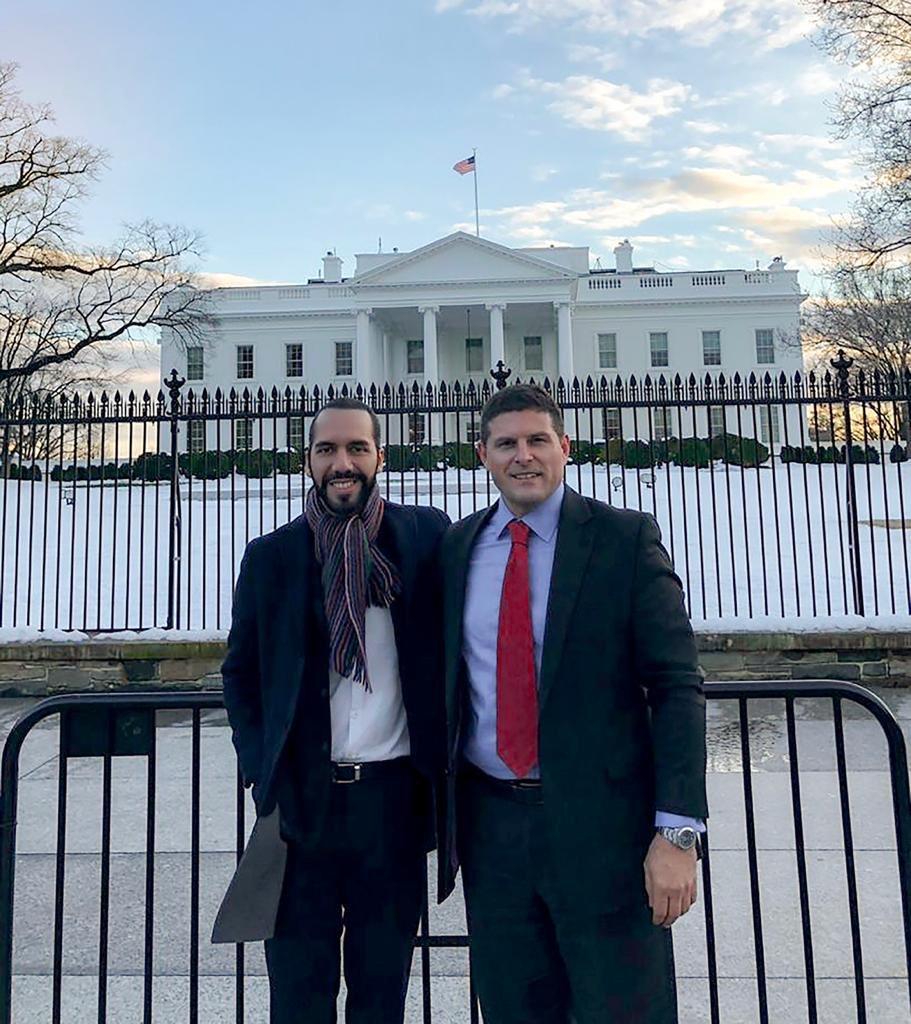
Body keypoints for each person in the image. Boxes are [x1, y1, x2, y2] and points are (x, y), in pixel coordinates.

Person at [438, 384, 707, 1024]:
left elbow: (675, 685)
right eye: (506, 443)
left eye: (537, 440)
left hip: (604, 830)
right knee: (514, 1008)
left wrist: (677, 832)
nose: (523, 456)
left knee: (623, 1009)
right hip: (493, 828)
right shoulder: (458, 548)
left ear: (566, 447)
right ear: (483, 454)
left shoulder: (622, 539)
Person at [215, 397, 449, 1024]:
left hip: (392, 804)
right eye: (326, 450)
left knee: (382, 991)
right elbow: (241, 673)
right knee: (298, 991)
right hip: (302, 805)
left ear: (381, 457)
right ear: (308, 462)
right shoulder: (273, 557)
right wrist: (258, 767)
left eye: (355, 448)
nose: (341, 463)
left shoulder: (424, 540)